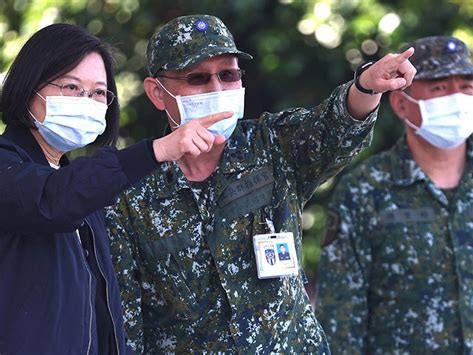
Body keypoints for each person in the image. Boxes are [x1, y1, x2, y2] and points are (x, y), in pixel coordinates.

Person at [104, 14, 416, 353]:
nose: (217, 89)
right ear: (157, 93)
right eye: (197, 78)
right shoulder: (130, 192)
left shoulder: (272, 145)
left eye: (228, 74)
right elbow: (125, 321)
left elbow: (334, 131)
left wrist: (365, 87)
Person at [0, 23, 228, 354]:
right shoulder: (13, 169)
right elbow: (50, 201)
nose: (86, 101)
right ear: (29, 88)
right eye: (71, 86)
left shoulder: (80, 188)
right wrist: (156, 150)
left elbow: (100, 316)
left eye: (97, 92)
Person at [317, 35, 473, 354]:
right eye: (440, 88)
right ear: (401, 103)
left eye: (467, 86)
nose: (457, 98)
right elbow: (340, 319)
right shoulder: (364, 190)